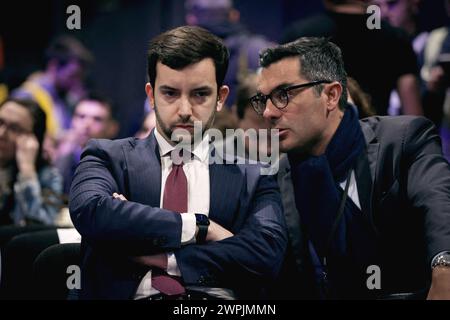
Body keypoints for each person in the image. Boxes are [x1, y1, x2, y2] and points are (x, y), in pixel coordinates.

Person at [69, 25, 287, 300]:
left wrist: (165, 259)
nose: (184, 110)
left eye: (200, 94)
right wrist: (199, 227)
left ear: (220, 98)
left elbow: (265, 256)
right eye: (170, 93)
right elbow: (93, 212)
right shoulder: (108, 157)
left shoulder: (254, 175)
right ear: (151, 95)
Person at [250, 37, 450, 299]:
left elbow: (438, 205)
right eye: (263, 99)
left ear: (331, 95)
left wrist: (445, 267)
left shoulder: (403, 139)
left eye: (283, 95)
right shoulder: (276, 176)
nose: (267, 112)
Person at [282, 0, 423, 117]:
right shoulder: (396, 39)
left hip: (315, 145)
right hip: (375, 143)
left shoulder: (297, 36)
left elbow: (280, 103)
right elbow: (413, 115)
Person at [0, 98, 63, 227]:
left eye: (14, 128)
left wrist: (27, 171)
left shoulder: (47, 175)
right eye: (0, 122)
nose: (2, 134)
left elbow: (40, 228)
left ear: (33, 139)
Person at [54, 93, 118, 194]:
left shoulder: (118, 168)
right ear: (72, 120)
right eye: (81, 116)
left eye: (97, 119)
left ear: (112, 128)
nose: (87, 124)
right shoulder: (60, 159)